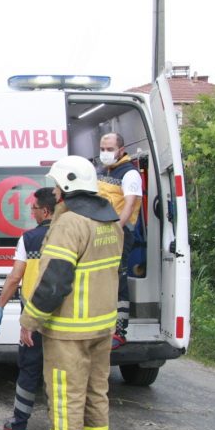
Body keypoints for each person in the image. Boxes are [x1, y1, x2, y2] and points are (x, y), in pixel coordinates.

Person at [19, 155, 123, 430]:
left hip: (70, 330)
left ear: (65, 187)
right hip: (102, 326)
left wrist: (29, 320)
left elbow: (54, 281)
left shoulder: (69, 223)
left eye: (56, 185)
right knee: (96, 394)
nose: (54, 191)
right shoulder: (111, 221)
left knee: (67, 396)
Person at [0, 187, 56, 430]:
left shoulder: (29, 239)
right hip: (65, 317)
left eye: (34, 208)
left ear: (46, 210)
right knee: (61, 371)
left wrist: (0, 306)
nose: (32, 212)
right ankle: (61, 425)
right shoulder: (73, 234)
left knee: (29, 369)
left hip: (34, 317)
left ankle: (19, 423)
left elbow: (15, 277)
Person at [97, 132, 142, 349]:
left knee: (118, 277)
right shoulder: (103, 170)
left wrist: (117, 229)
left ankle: (120, 330)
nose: (105, 153)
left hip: (119, 233)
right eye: (102, 149)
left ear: (121, 150)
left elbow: (129, 205)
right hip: (99, 233)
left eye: (109, 149)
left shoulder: (130, 173)